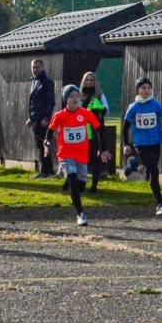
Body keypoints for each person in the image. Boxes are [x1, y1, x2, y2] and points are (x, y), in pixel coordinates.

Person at [121, 76, 162, 215]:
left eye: (148, 88)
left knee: (151, 170)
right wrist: (125, 144)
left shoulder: (156, 104)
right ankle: (160, 203)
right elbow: (125, 127)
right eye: (143, 88)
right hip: (141, 144)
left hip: (155, 143)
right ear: (138, 90)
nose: (146, 90)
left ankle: (134, 163)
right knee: (154, 171)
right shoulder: (133, 108)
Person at [46, 85, 101, 226]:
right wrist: (46, 144)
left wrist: (103, 148)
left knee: (81, 185)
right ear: (65, 100)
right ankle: (80, 214)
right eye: (71, 96)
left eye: (77, 96)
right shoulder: (59, 116)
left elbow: (99, 128)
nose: (75, 99)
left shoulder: (86, 113)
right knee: (72, 180)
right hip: (65, 154)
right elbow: (50, 131)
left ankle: (71, 184)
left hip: (81, 155)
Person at [78, 71, 113, 193]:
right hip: (82, 129)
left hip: (96, 129)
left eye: (91, 80)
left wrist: (98, 110)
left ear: (95, 82)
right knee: (82, 157)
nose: (89, 82)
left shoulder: (99, 95)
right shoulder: (79, 95)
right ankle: (80, 182)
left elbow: (106, 110)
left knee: (95, 157)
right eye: (87, 80)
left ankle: (94, 185)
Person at [26, 58, 56, 178]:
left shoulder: (47, 82)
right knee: (39, 144)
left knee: (45, 144)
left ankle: (46, 171)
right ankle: (46, 170)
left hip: (44, 119)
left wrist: (47, 117)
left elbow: (50, 101)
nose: (35, 69)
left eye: (37, 67)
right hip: (36, 119)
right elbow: (33, 103)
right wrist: (31, 118)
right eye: (33, 67)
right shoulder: (34, 82)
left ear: (42, 67)